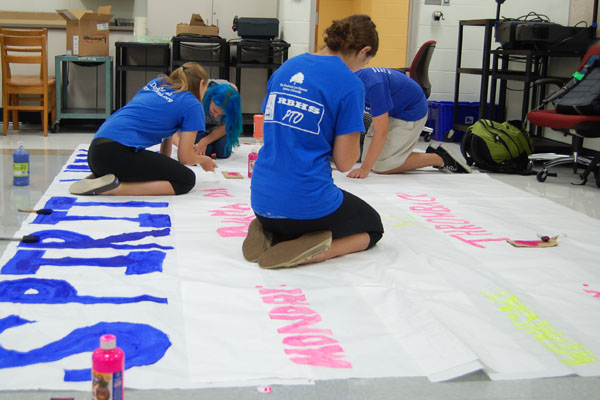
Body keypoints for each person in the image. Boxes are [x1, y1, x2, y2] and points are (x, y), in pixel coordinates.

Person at [242, 14, 384, 269]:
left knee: (295, 209)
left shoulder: (286, 68)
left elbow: (268, 127)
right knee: (372, 226)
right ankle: (318, 251)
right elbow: (344, 163)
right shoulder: (350, 84)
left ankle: (270, 231)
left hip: (261, 200)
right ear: (364, 51)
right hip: (305, 205)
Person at [69, 62, 217, 196]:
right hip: (116, 155)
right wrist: (204, 159)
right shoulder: (193, 104)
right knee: (186, 179)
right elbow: (185, 158)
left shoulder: (158, 83)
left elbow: (166, 133)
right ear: (201, 84)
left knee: (166, 171)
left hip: (96, 154)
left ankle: (105, 177)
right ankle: (115, 188)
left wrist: (165, 164)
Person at [348, 66, 471, 179]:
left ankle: (439, 158)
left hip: (410, 112)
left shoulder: (373, 85)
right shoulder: (353, 84)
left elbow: (381, 131)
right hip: (391, 111)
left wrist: (364, 169)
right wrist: (345, 163)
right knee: (368, 160)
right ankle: (398, 155)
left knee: (382, 166)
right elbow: (351, 126)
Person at [171, 79, 242, 159]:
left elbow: (227, 125)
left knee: (223, 151)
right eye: (214, 110)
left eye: (221, 114)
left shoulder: (232, 94)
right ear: (211, 98)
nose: (215, 116)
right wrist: (182, 146)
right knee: (203, 151)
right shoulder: (194, 95)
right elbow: (171, 127)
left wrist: (205, 141)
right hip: (194, 127)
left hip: (215, 127)